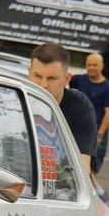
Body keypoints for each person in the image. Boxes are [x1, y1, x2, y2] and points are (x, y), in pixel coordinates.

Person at [28, 43, 97, 175]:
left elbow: (83, 165)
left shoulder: (80, 107)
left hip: (61, 178)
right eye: (37, 76)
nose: (43, 85)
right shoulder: (15, 100)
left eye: (52, 78)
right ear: (29, 73)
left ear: (67, 79)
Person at [71, 52, 109, 201]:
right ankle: (97, 195)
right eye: (88, 65)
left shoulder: (108, 88)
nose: (91, 67)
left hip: (97, 133)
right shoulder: (79, 80)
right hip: (79, 131)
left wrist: (100, 134)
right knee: (81, 168)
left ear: (102, 66)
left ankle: (98, 197)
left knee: (92, 170)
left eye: (94, 65)